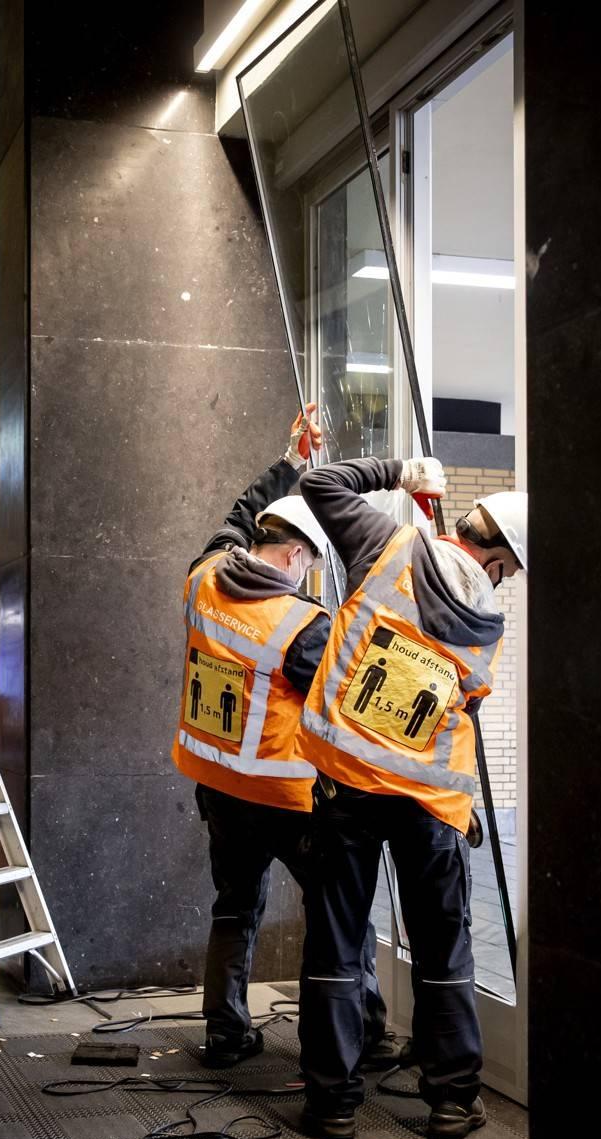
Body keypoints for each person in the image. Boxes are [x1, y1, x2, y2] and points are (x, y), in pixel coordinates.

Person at [293, 454, 526, 1139]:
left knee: (335, 944)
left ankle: (332, 1102)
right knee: (443, 946)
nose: (502, 584)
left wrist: (397, 472)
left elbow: (319, 484)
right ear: (492, 558)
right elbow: (467, 701)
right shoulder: (485, 620)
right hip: (426, 799)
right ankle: (453, 1097)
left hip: (347, 784)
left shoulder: (383, 544)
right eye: (506, 571)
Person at [174, 405, 397, 1071]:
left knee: (234, 907)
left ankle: (226, 1031)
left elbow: (238, 514)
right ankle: (370, 1030)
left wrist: (290, 463)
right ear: (298, 555)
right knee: (342, 909)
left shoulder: (205, 578)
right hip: (285, 797)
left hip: (216, 787)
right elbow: (354, 702)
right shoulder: (303, 625)